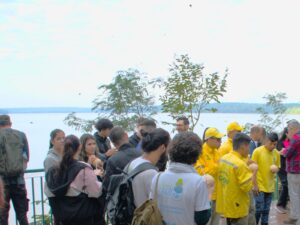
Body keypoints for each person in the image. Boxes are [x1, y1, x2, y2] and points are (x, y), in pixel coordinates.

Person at [150, 132, 211, 225]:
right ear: (196, 154)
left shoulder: (157, 177)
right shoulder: (198, 182)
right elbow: (202, 219)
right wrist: (209, 193)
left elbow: (152, 208)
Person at [46, 135, 103, 225]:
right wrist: (97, 176)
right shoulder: (83, 169)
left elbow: (49, 193)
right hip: (83, 217)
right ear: (80, 147)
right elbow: (96, 192)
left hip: (62, 218)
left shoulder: (52, 171)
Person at [216, 133, 253, 225]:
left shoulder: (224, 159)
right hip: (238, 208)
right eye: (248, 146)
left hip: (227, 204)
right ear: (243, 146)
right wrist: (253, 172)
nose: (249, 150)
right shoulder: (240, 164)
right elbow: (247, 187)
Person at [127, 128, 170, 207]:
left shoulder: (134, 162)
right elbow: (158, 203)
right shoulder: (151, 173)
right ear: (163, 148)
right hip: (143, 217)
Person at [0, 115, 30, 225]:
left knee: (2, 216)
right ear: (10, 123)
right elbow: (26, 157)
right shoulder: (21, 135)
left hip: (2, 183)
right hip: (19, 182)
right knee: (22, 215)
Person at [194, 127, 225, 225]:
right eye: (218, 139)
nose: (220, 141)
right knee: (206, 221)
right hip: (207, 194)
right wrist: (217, 166)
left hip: (218, 194)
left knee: (216, 221)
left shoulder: (217, 152)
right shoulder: (200, 152)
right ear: (209, 139)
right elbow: (201, 173)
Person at [252, 132, 280, 225]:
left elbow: (278, 166)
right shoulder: (257, 151)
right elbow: (252, 170)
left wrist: (276, 169)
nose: (273, 146)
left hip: (270, 186)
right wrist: (255, 185)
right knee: (258, 209)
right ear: (266, 141)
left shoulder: (276, 153)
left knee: (266, 209)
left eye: (275, 144)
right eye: (271, 143)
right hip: (259, 186)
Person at [282, 120, 300, 225]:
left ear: (293, 128)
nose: (288, 131)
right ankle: (294, 217)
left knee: (294, 195)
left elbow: (287, 153)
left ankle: (296, 219)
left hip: (294, 171)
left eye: (289, 129)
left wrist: (284, 150)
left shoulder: (296, 138)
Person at [275, 127, 289, 214]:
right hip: (281, 167)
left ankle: (284, 204)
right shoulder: (280, 142)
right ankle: (279, 205)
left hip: (287, 167)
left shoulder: (290, 141)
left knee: (287, 185)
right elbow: (282, 153)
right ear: (286, 133)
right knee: (286, 184)